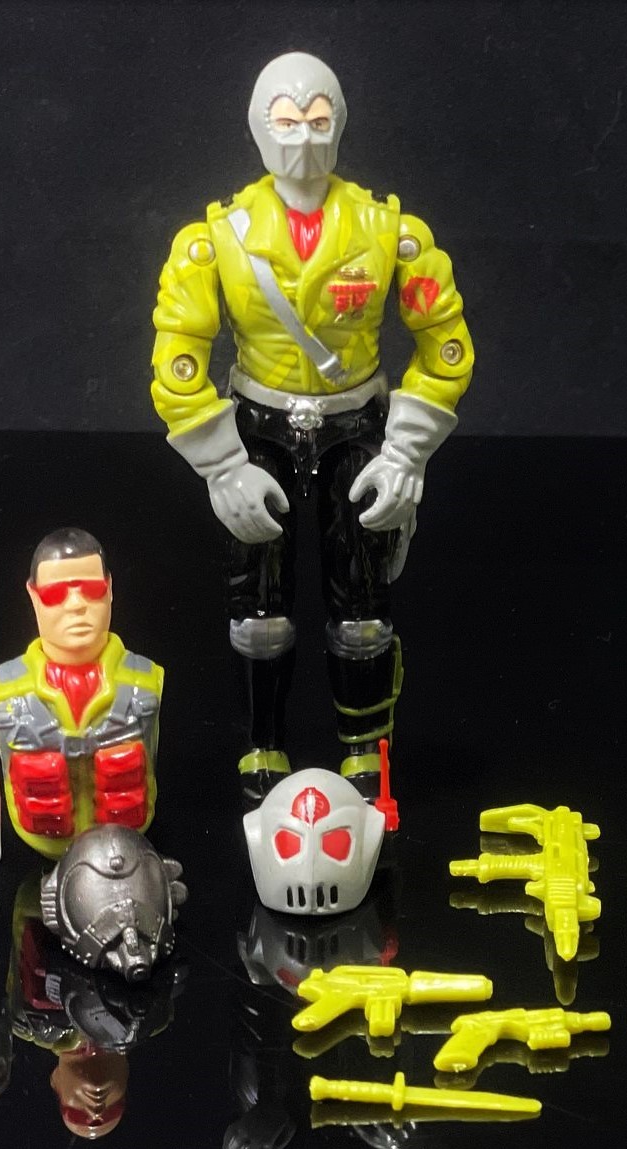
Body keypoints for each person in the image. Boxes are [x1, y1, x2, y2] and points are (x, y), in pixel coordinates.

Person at [152, 51, 474, 801]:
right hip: (255, 430)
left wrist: (407, 452)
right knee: (257, 608)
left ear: (341, 125)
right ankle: (262, 745)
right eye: (287, 121)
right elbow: (178, 354)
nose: (302, 137)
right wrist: (221, 463)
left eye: (319, 120)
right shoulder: (218, 237)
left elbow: (445, 344)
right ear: (257, 128)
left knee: (363, 608)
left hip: (355, 426)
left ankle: (364, 746)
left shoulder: (389, 231)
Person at [0, 529, 163, 858]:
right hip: (38, 854)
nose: (77, 605)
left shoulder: (147, 680)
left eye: (91, 590)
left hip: (123, 854)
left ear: (110, 589)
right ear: (33, 596)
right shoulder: (3, 687)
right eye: (56, 594)